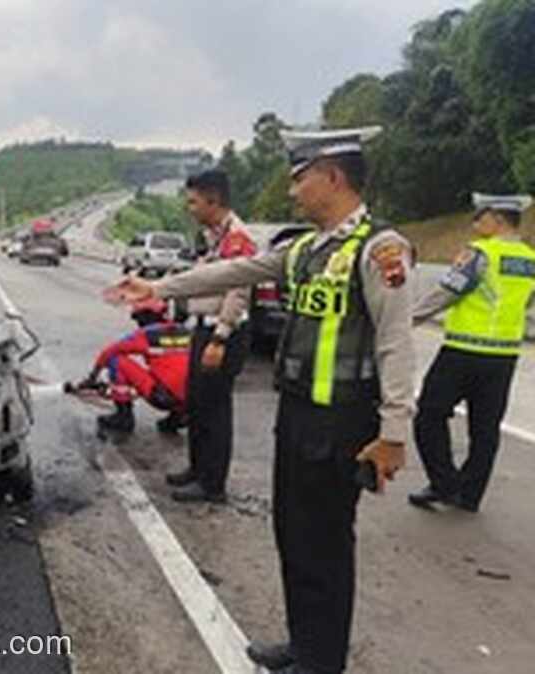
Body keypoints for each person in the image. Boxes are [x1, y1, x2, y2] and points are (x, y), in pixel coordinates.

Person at [105, 127, 415, 674]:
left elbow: (396, 341)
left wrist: (393, 433)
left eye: (300, 179)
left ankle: (322, 662)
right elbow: (235, 271)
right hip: (295, 416)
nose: (292, 192)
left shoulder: (379, 250)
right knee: (293, 535)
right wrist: (159, 288)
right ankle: (304, 645)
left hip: (341, 422)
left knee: (324, 545)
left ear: (333, 177)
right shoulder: (307, 249)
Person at [409, 192, 535, 513]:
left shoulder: (480, 254)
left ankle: (445, 484)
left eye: (480, 215)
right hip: (504, 356)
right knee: (485, 430)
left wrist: (406, 320)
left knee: (429, 415)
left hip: (463, 351)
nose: (475, 221)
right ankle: (470, 495)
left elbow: (446, 292)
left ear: (497, 219)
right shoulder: (530, 259)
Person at [167, 169, 258, 504]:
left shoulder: (237, 238)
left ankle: (212, 483)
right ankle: (197, 468)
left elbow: (238, 291)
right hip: (203, 326)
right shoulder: (213, 237)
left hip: (224, 332)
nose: (189, 208)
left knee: (215, 408)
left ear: (213, 200)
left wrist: (219, 338)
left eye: (193, 201)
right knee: (197, 403)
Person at [72, 298, 190, 433]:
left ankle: (123, 416)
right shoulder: (186, 331)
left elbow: (108, 353)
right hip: (192, 399)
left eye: (138, 318)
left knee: (116, 361)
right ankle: (177, 418)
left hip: (163, 397)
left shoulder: (146, 334)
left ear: (146, 316)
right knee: (175, 373)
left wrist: (92, 378)